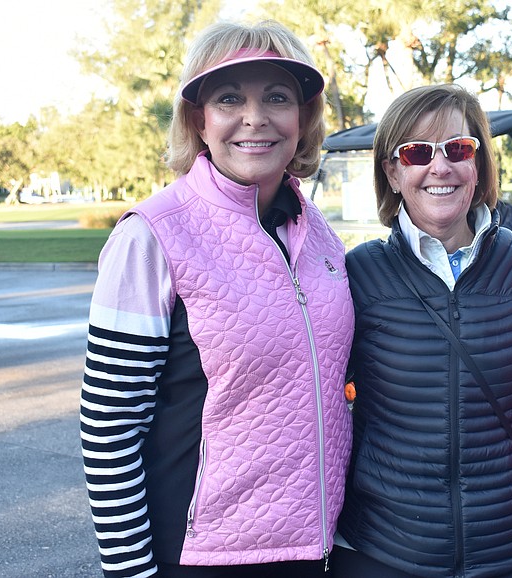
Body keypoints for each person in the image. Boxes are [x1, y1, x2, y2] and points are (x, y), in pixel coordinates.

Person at [80, 20, 354, 578]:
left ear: (302, 119)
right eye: (230, 97)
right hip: (200, 557)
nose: (255, 118)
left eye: (277, 97)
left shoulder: (320, 232)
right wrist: (131, 571)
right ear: (197, 119)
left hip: (318, 550)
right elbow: (108, 428)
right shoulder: (152, 235)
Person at [332, 84, 512, 578]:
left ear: (478, 167)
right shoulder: (357, 276)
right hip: (383, 551)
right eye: (416, 152)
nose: (441, 167)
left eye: (458, 149)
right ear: (392, 172)